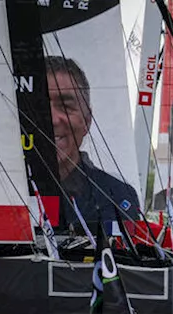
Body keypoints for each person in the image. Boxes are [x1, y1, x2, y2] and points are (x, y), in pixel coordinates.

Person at [46, 56, 142, 236]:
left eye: (65, 106)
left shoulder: (117, 196)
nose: (51, 118)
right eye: (39, 105)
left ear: (87, 121)